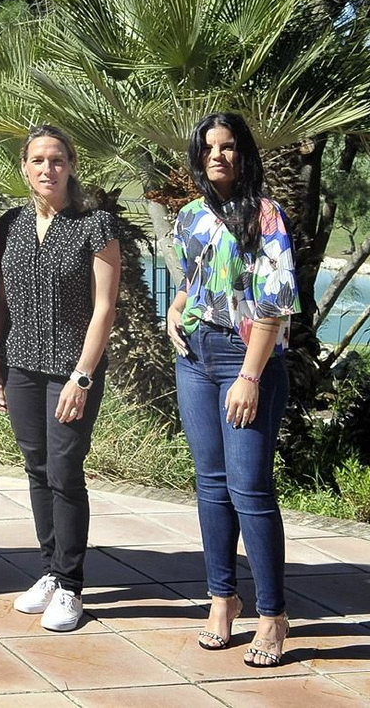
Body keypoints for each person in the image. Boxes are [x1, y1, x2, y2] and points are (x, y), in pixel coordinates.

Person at [167, 112, 296, 667]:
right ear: (199, 157)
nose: (218, 155)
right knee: (211, 485)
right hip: (195, 355)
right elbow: (197, 279)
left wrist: (249, 374)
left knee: (250, 489)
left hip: (250, 359)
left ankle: (273, 615)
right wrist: (175, 309)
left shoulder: (266, 215)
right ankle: (223, 598)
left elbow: (274, 300)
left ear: (243, 154)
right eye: (209, 148)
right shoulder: (190, 215)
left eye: (229, 147)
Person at [0, 125, 120, 632]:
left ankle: (70, 585)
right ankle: (47, 571)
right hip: (21, 366)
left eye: (58, 160)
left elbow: (104, 309)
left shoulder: (95, 224)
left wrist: (82, 376)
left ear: (71, 166)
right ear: (24, 167)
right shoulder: (11, 224)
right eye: (38, 160)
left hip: (72, 370)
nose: (48, 169)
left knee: (65, 471)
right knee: (37, 468)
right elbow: (1, 302)